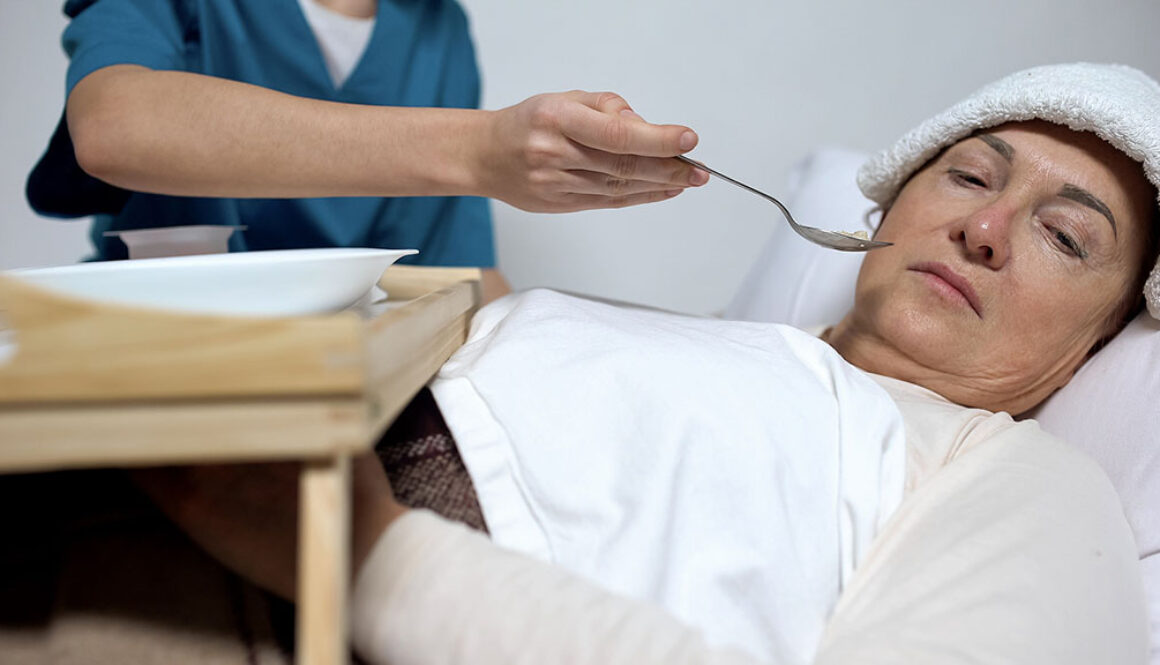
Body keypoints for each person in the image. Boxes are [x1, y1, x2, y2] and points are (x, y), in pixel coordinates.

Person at [135, 62, 1160, 665]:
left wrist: (371, 558)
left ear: (1106, 330)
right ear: (884, 208)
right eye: (969, 174)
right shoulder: (693, 343)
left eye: (1063, 237)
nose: (983, 225)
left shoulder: (1024, 484)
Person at [26, 0, 708, 300]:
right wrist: (480, 149)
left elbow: (461, 276)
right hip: (158, 348)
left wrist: (652, 341)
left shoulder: (437, 26)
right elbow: (117, 125)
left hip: (343, 365)